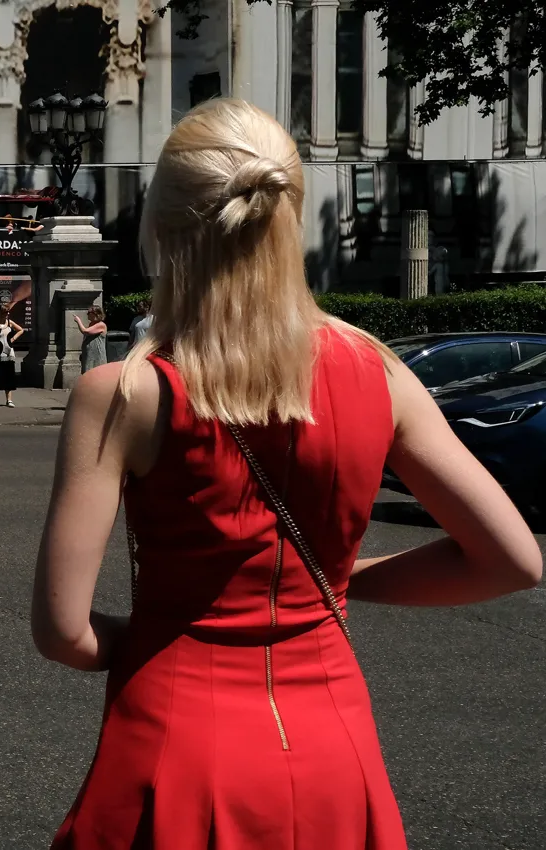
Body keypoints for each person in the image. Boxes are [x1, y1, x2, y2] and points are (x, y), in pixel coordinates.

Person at [31, 98, 541, 849]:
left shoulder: (127, 393)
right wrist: (341, 582)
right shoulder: (380, 371)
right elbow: (513, 559)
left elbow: (63, 632)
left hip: (173, 737)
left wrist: (166, 643)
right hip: (331, 738)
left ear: (166, 230)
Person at [74, 305, 108, 373]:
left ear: (96, 314)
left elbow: (85, 331)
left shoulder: (101, 325)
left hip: (97, 355)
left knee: (96, 374)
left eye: (89, 313)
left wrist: (78, 321)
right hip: (89, 355)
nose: (87, 314)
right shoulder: (91, 324)